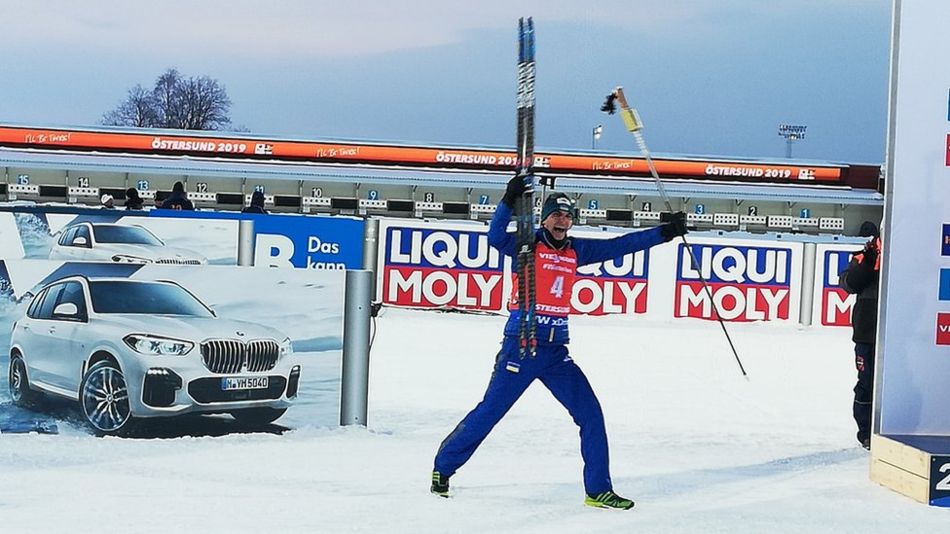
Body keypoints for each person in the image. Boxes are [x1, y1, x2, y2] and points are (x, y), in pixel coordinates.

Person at [431, 176, 688, 510]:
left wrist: (666, 232)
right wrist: (509, 199)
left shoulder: (577, 250)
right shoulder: (526, 243)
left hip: (555, 353)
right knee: (490, 412)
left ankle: (597, 490)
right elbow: (495, 237)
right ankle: (444, 467)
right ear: (544, 218)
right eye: (555, 215)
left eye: (567, 216)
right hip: (522, 347)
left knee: (591, 415)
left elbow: (621, 246)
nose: (561, 221)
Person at [839, 220, 881, 450]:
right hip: (866, 332)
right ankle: (865, 433)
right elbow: (848, 284)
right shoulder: (862, 256)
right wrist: (868, 259)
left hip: (894, 332)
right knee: (866, 382)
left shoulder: (902, 255)